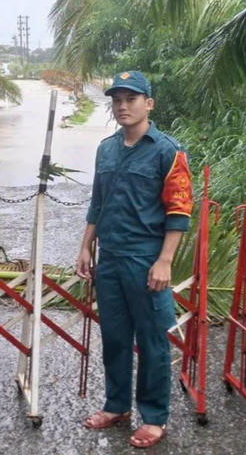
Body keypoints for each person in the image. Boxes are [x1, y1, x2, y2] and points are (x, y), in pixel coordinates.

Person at [75, 70, 193, 451]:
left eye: (131, 99)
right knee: (115, 338)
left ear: (149, 103)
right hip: (109, 260)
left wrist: (165, 261)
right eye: (117, 100)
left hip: (146, 259)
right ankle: (116, 406)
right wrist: (85, 247)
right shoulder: (106, 149)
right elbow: (98, 202)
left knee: (154, 342)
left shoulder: (167, 151)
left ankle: (154, 417)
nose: (123, 106)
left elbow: (179, 211)